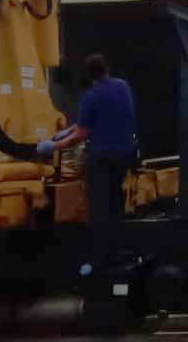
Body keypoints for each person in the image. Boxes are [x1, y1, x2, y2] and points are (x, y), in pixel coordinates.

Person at [37, 54, 137, 276]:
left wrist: (53, 146)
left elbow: (82, 134)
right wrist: (70, 129)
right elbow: (99, 119)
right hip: (123, 156)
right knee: (114, 206)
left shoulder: (91, 97)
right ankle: (115, 254)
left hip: (102, 158)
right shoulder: (122, 86)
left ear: (88, 74)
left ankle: (100, 261)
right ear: (106, 69)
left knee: (99, 211)